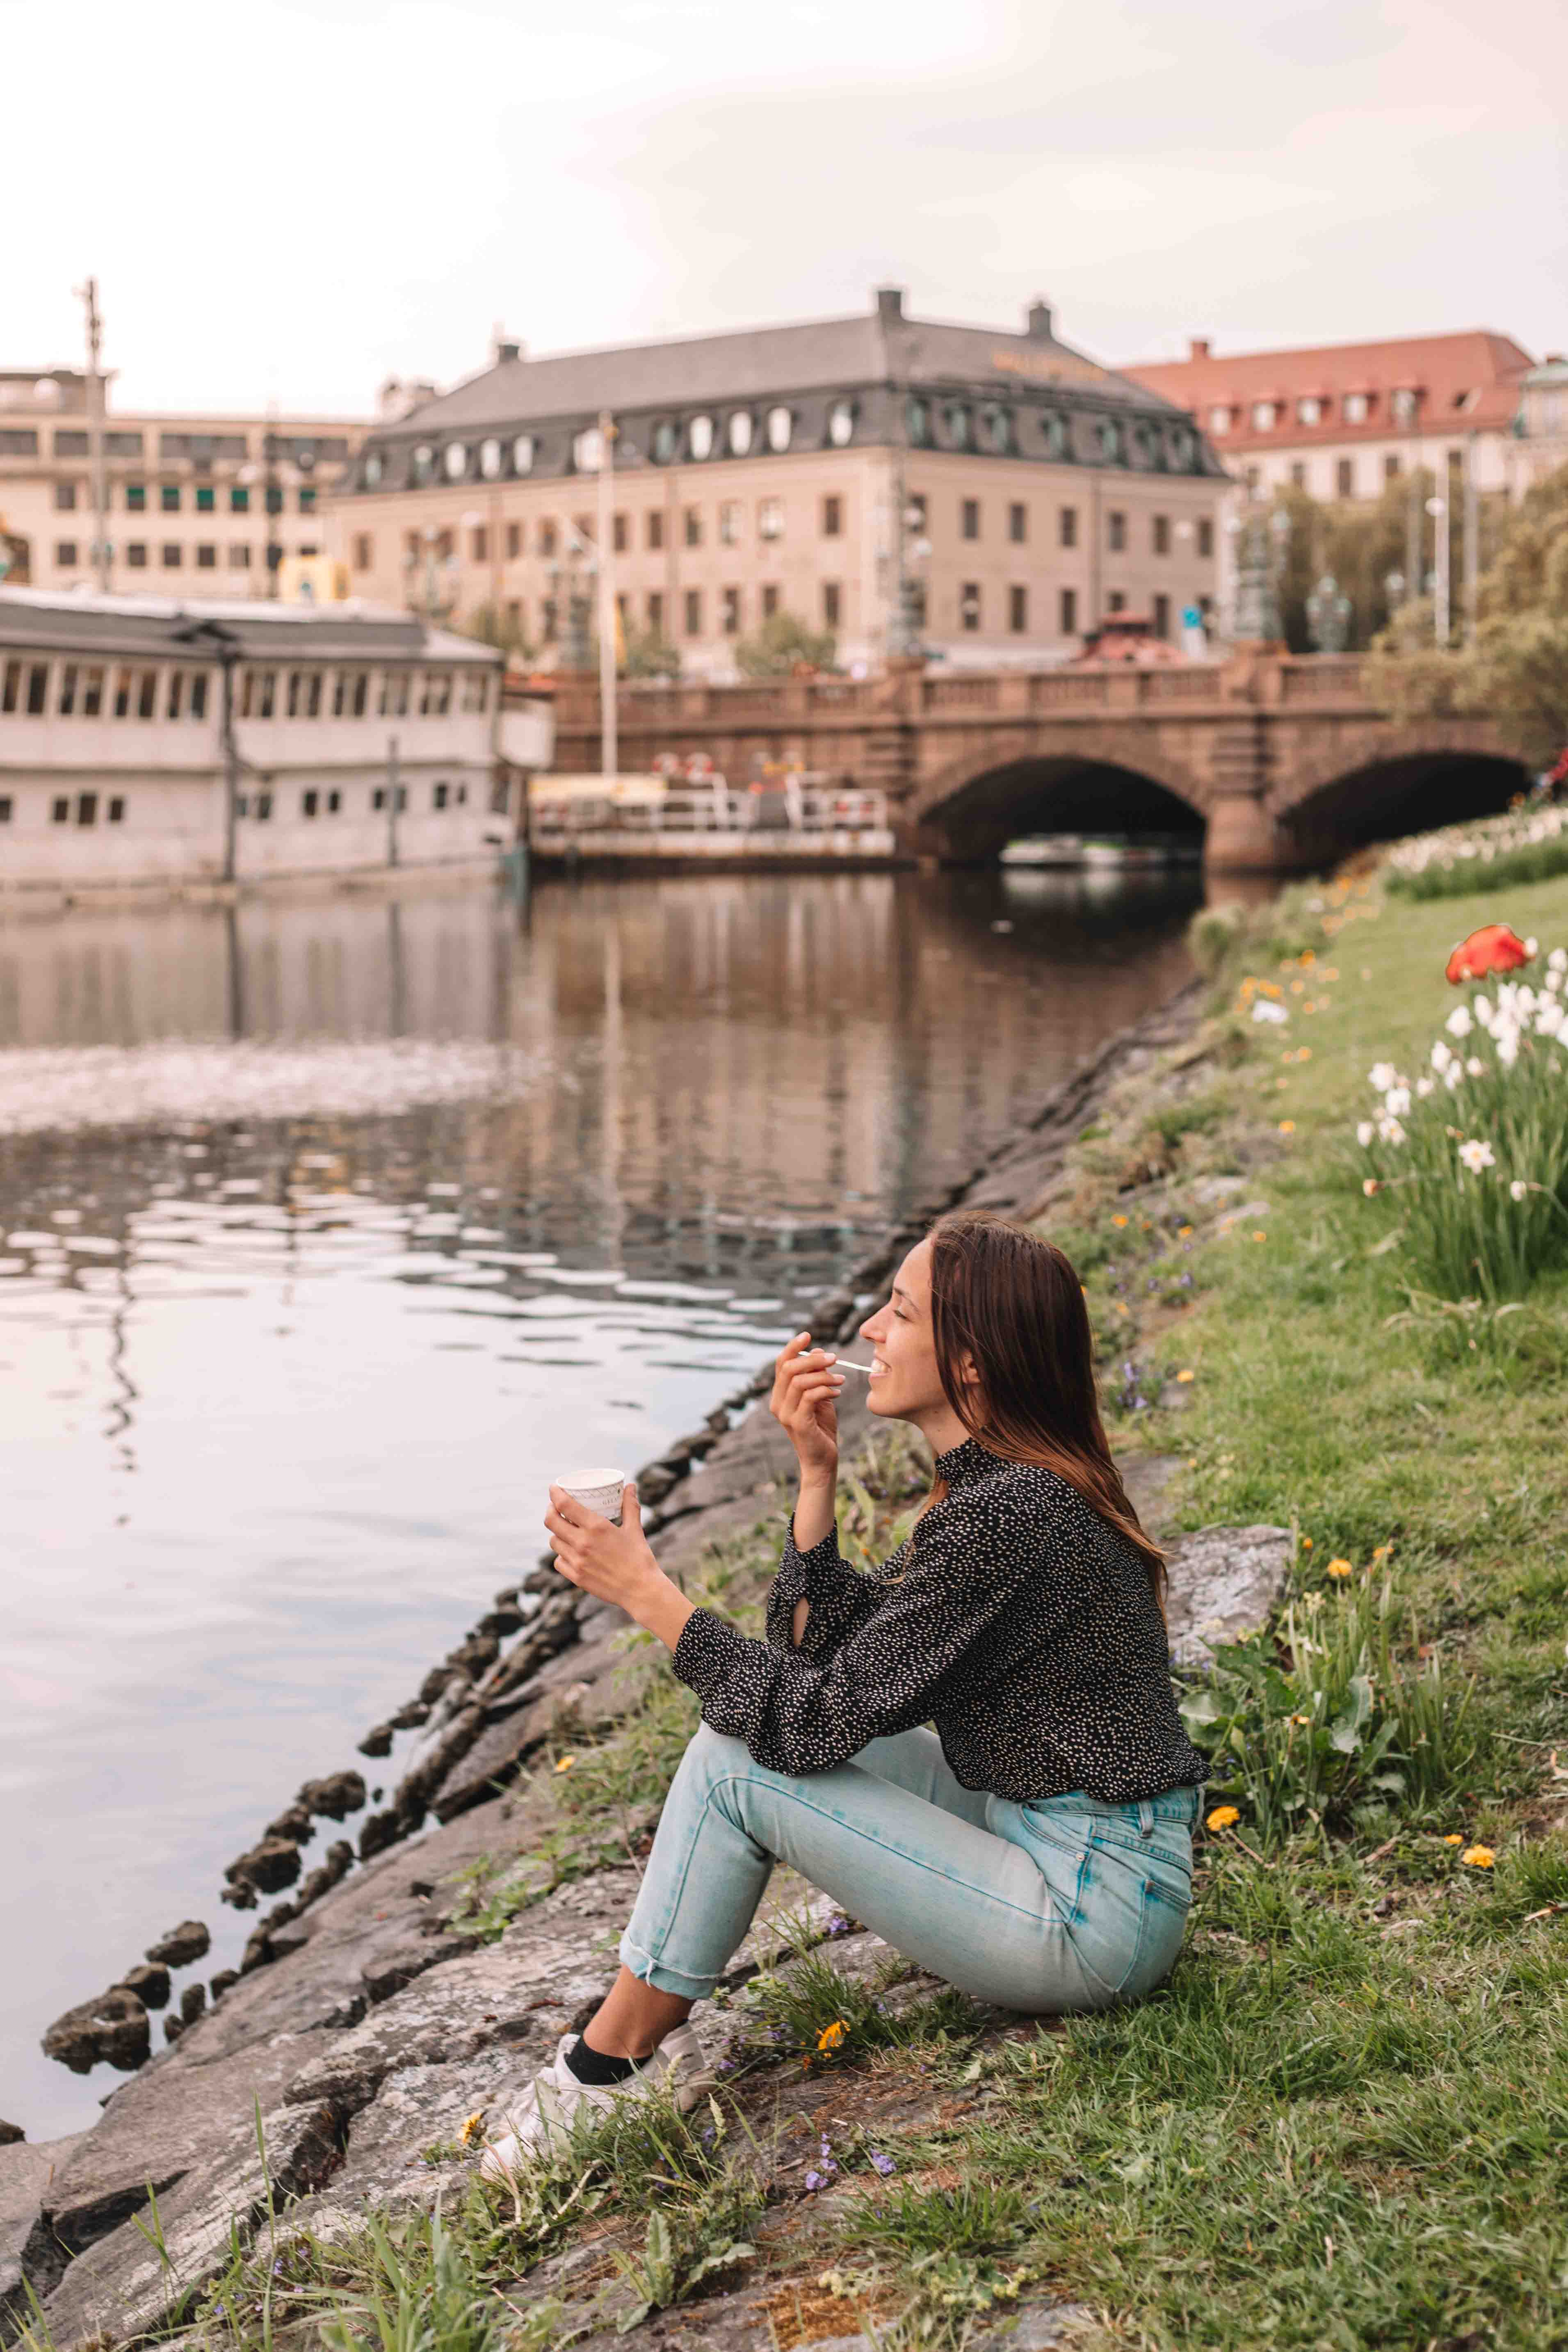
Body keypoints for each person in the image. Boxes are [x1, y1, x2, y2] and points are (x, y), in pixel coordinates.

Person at [482, 1212, 1206, 2180]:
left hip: (1091, 1914)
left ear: (971, 1361)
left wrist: (646, 1593)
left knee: (742, 1760)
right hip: (1066, 1841)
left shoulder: (1008, 1513)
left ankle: (606, 2068)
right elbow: (837, 1666)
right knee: (742, 1740)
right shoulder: (1003, 1493)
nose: (868, 1329)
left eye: (898, 1312)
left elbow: (807, 1723)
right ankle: (621, 2046)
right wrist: (815, 1472)